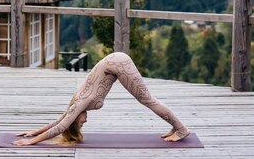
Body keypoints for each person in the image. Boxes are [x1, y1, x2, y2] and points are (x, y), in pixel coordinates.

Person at [13, 52, 190, 146]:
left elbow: (61, 126)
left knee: (147, 100)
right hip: (114, 63)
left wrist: (31, 142)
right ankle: (176, 127)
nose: (84, 122)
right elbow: (59, 120)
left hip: (118, 63)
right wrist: (34, 131)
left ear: (75, 120)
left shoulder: (81, 102)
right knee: (147, 100)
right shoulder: (77, 104)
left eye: (80, 124)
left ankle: (181, 129)